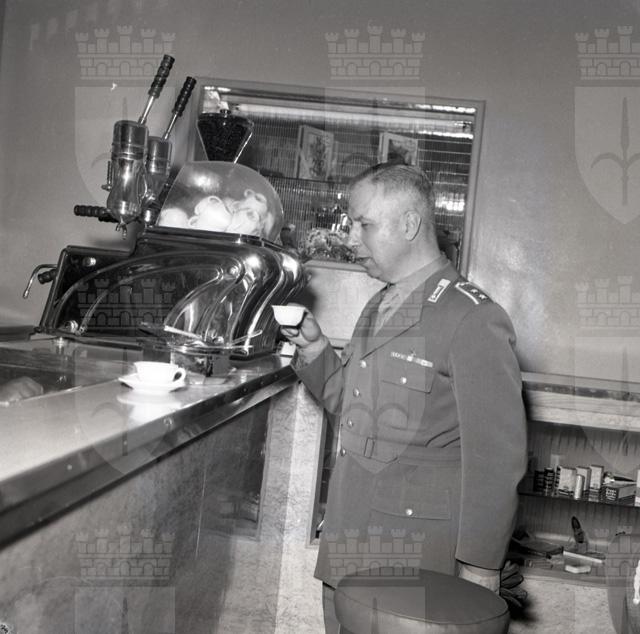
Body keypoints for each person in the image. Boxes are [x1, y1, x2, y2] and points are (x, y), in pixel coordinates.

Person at [281, 163, 527, 632]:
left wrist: (480, 568)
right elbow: (355, 411)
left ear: (410, 224)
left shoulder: (473, 317)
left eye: (364, 225)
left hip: (414, 557)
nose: (350, 238)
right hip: (349, 538)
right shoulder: (381, 302)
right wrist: (314, 350)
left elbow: (497, 459)